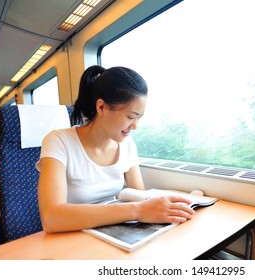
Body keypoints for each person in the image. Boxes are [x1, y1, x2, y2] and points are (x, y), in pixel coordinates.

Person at [36, 65, 195, 233]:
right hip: (72, 234)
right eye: (130, 117)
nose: (135, 126)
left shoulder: (127, 145)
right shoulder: (59, 141)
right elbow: (51, 218)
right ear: (102, 107)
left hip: (113, 231)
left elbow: (139, 195)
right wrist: (137, 211)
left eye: (138, 118)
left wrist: (159, 205)